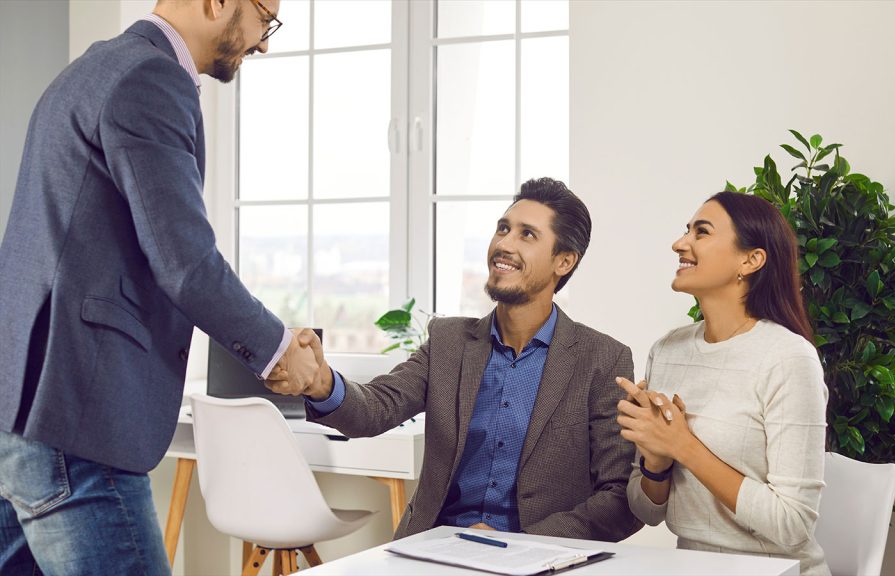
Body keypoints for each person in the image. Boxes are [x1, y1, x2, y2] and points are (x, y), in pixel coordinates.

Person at [0, 1, 318, 574]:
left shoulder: (89, 70)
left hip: (19, 416)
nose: (264, 43)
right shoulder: (151, 77)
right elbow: (185, 262)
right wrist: (275, 350)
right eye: (264, 20)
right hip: (79, 423)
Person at [268, 178, 642, 542]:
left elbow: (618, 499)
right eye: (503, 228)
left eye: (527, 234)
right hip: (435, 549)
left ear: (563, 262)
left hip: (538, 557)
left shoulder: (602, 361)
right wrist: (322, 384)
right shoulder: (449, 341)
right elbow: (376, 408)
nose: (504, 244)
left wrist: (523, 542)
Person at [616, 191, 830, 575]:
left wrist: (683, 445)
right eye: (687, 231)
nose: (679, 243)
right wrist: (657, 460)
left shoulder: (787, 358)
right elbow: (646, 510)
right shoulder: (668, 350)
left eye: (702, 232)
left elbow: (793, 525)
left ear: (751, 260)